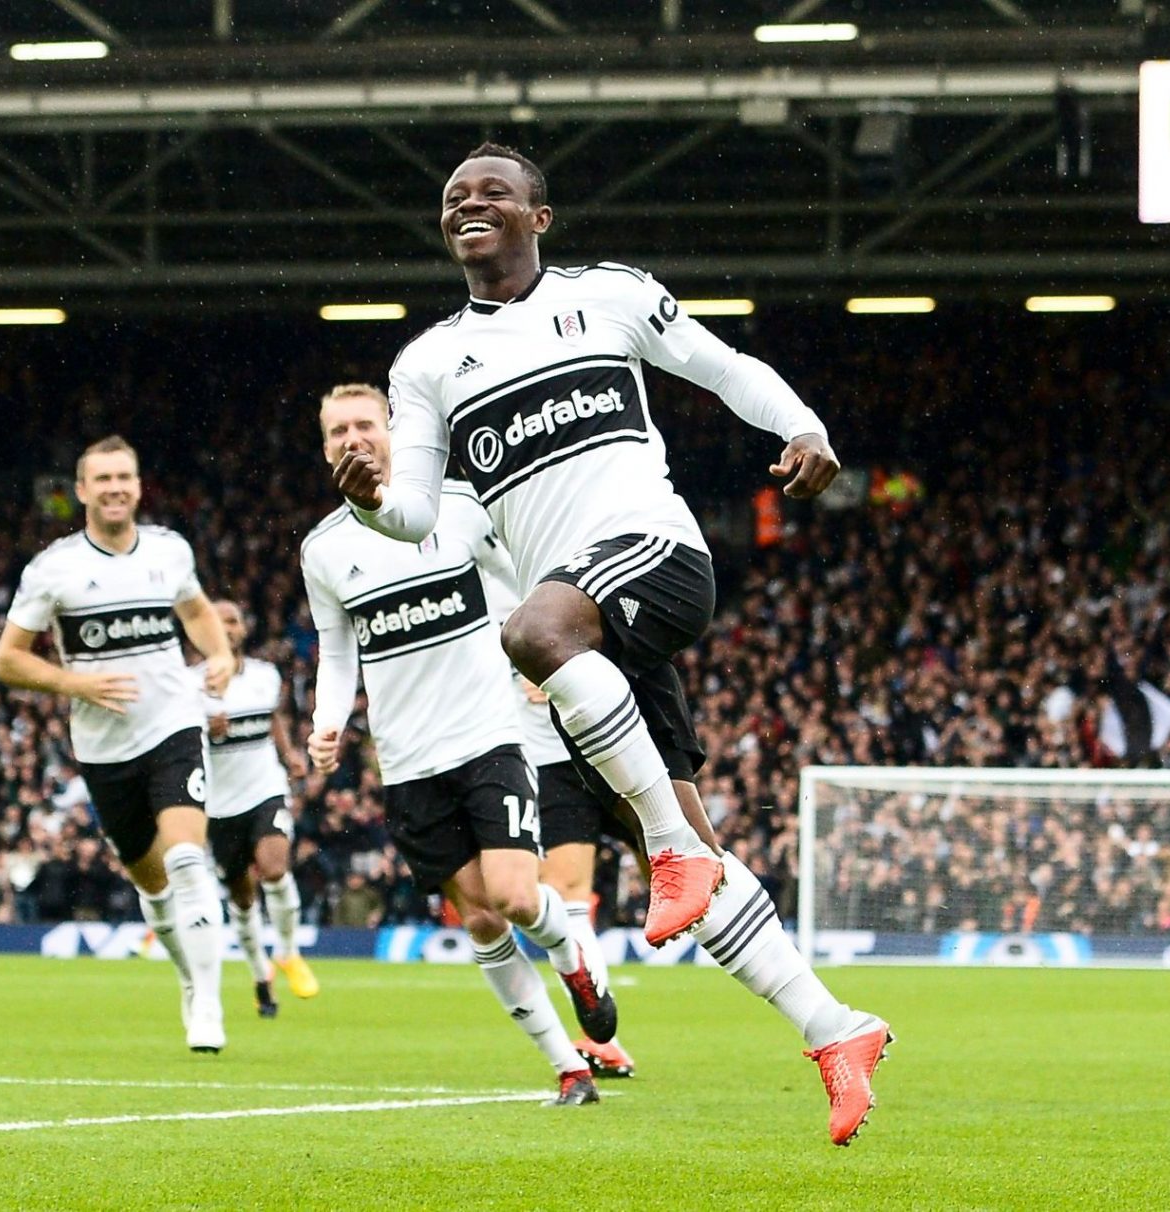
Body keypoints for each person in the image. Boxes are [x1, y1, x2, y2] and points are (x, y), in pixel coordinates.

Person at [331, 141, 891, 1145]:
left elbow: (723, 367)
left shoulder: (610, 295)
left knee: (530, 633)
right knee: (693, 853)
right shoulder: (426, 366)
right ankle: (834, 1028)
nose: (469, 204)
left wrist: (804, 426)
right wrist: (372, 504)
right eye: (454, 196)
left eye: (494, 192)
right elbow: (414, 514)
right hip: (590, 639)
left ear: (539, 217)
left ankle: (671, 853)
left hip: (650, 555)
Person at [303, 383, 613, 1106]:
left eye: (365, 425)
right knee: (478, 919)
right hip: (409, 761)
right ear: (325, 448)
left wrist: (543, 655)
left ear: (392, 432)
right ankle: (569, 1067)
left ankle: (574, 960)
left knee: (515, 895)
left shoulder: (460, 507)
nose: (353, 438)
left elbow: (526, 584)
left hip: (487, 738)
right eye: (338, 431)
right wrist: (327, 718)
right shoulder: (324, 550)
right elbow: (337, 650)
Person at [0, 435, 236, 1053]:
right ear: (81, 491)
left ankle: (209, 1002)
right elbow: (7, 660)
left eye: (124, 477)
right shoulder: (54, 569)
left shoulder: (169, 550)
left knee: (187, 859)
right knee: (152, 884)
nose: (115, 488)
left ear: (139, 485)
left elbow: (197, 610)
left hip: (174, 725)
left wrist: (221, 655)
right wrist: (74, 682)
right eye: (102, 479)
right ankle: (188, 976)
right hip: (104, 749)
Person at [480, 558, 641, 1079]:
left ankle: (789, 992)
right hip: (551, 763)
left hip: (615, 745)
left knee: (684, 867)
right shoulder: (481, 590)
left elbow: (632, 635)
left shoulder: (573, 565)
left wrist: (570, 670)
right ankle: (603, 1037)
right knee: (568, 894)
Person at [202, 599, 318, 1017]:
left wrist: (290, 755)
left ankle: (287, 951)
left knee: (274, 868)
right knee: (241, 895)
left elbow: (272, 718)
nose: (228, 628)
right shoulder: (189, 685)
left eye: (233, 620)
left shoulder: (264, 675)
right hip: (218, 803)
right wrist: (205, 731)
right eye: (219, 621)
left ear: (243, 628)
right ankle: (260, 973)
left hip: (264, 789)